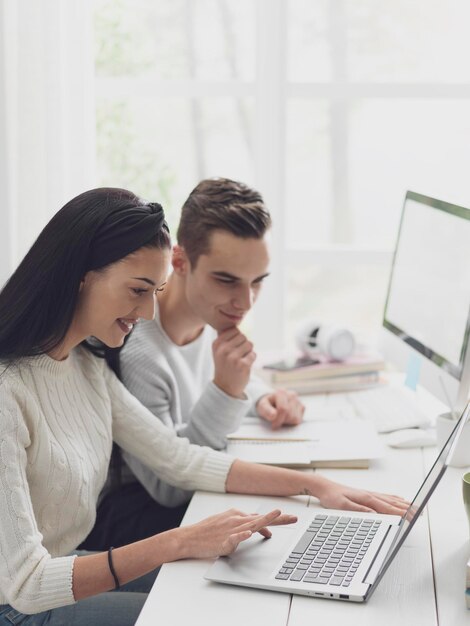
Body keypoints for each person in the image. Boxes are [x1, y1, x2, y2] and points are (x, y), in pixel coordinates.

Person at [0, 187, 408, 625]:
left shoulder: (84, 362)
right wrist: (181, 541)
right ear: (79, 275)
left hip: (64, 567)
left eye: (155, 291)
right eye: (138, 290)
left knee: (236, 593)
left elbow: (179, 458)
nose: (150, 312)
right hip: (19, 604)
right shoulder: (9, 392)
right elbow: (27, 584)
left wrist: (315, 486)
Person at [81, 178, 307, 550]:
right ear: (180, 261)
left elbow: (206, 387)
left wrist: (262, 396)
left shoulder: (209, 319)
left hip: (178, 507)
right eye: (226, 280)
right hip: (128, 524)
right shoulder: (135, 348)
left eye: (257, 282)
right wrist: (227, 391)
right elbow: (168, 486)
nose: (245, 302)